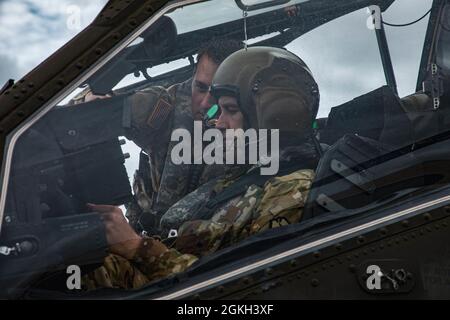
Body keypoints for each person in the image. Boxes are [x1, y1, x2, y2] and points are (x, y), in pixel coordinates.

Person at [82, 46, 321, 290]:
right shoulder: (246, 174)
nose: (218, 124)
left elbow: (246, 287)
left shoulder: (290, 190)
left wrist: (136, 247)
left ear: (271, 115)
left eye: (230, 110)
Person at [72, 39, 244, 235]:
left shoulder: (255, 121)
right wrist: (93, 103)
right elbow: (82, 111)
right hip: (147, 234)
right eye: (201, 87)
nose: (205, 103)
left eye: (216, 92)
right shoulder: (163, 107)